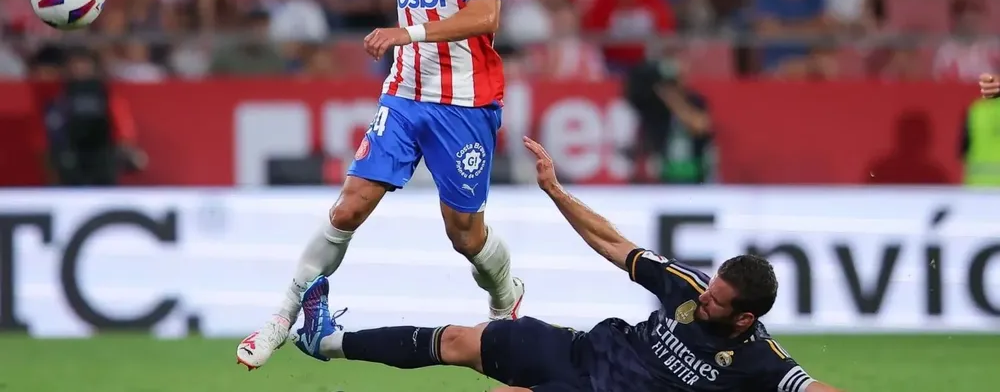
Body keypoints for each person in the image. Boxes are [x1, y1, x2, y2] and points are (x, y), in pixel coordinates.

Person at [236, 0, 522, 370]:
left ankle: (507, 297)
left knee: (465, 235)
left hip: (463, 105)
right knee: (348, 208)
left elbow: (486, 17)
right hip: (405, 97)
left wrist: (403, 34)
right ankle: (280, 318)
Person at [290, 137, 844, 392]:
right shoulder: (687, 286)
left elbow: (812, 387)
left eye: (718, 301)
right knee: (461, 340)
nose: (704, 298)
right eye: (710, 287)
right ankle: (326, 341)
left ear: (745, 318)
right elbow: (613, 242)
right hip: (581, 351)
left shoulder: (758, 360)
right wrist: (557, 192)